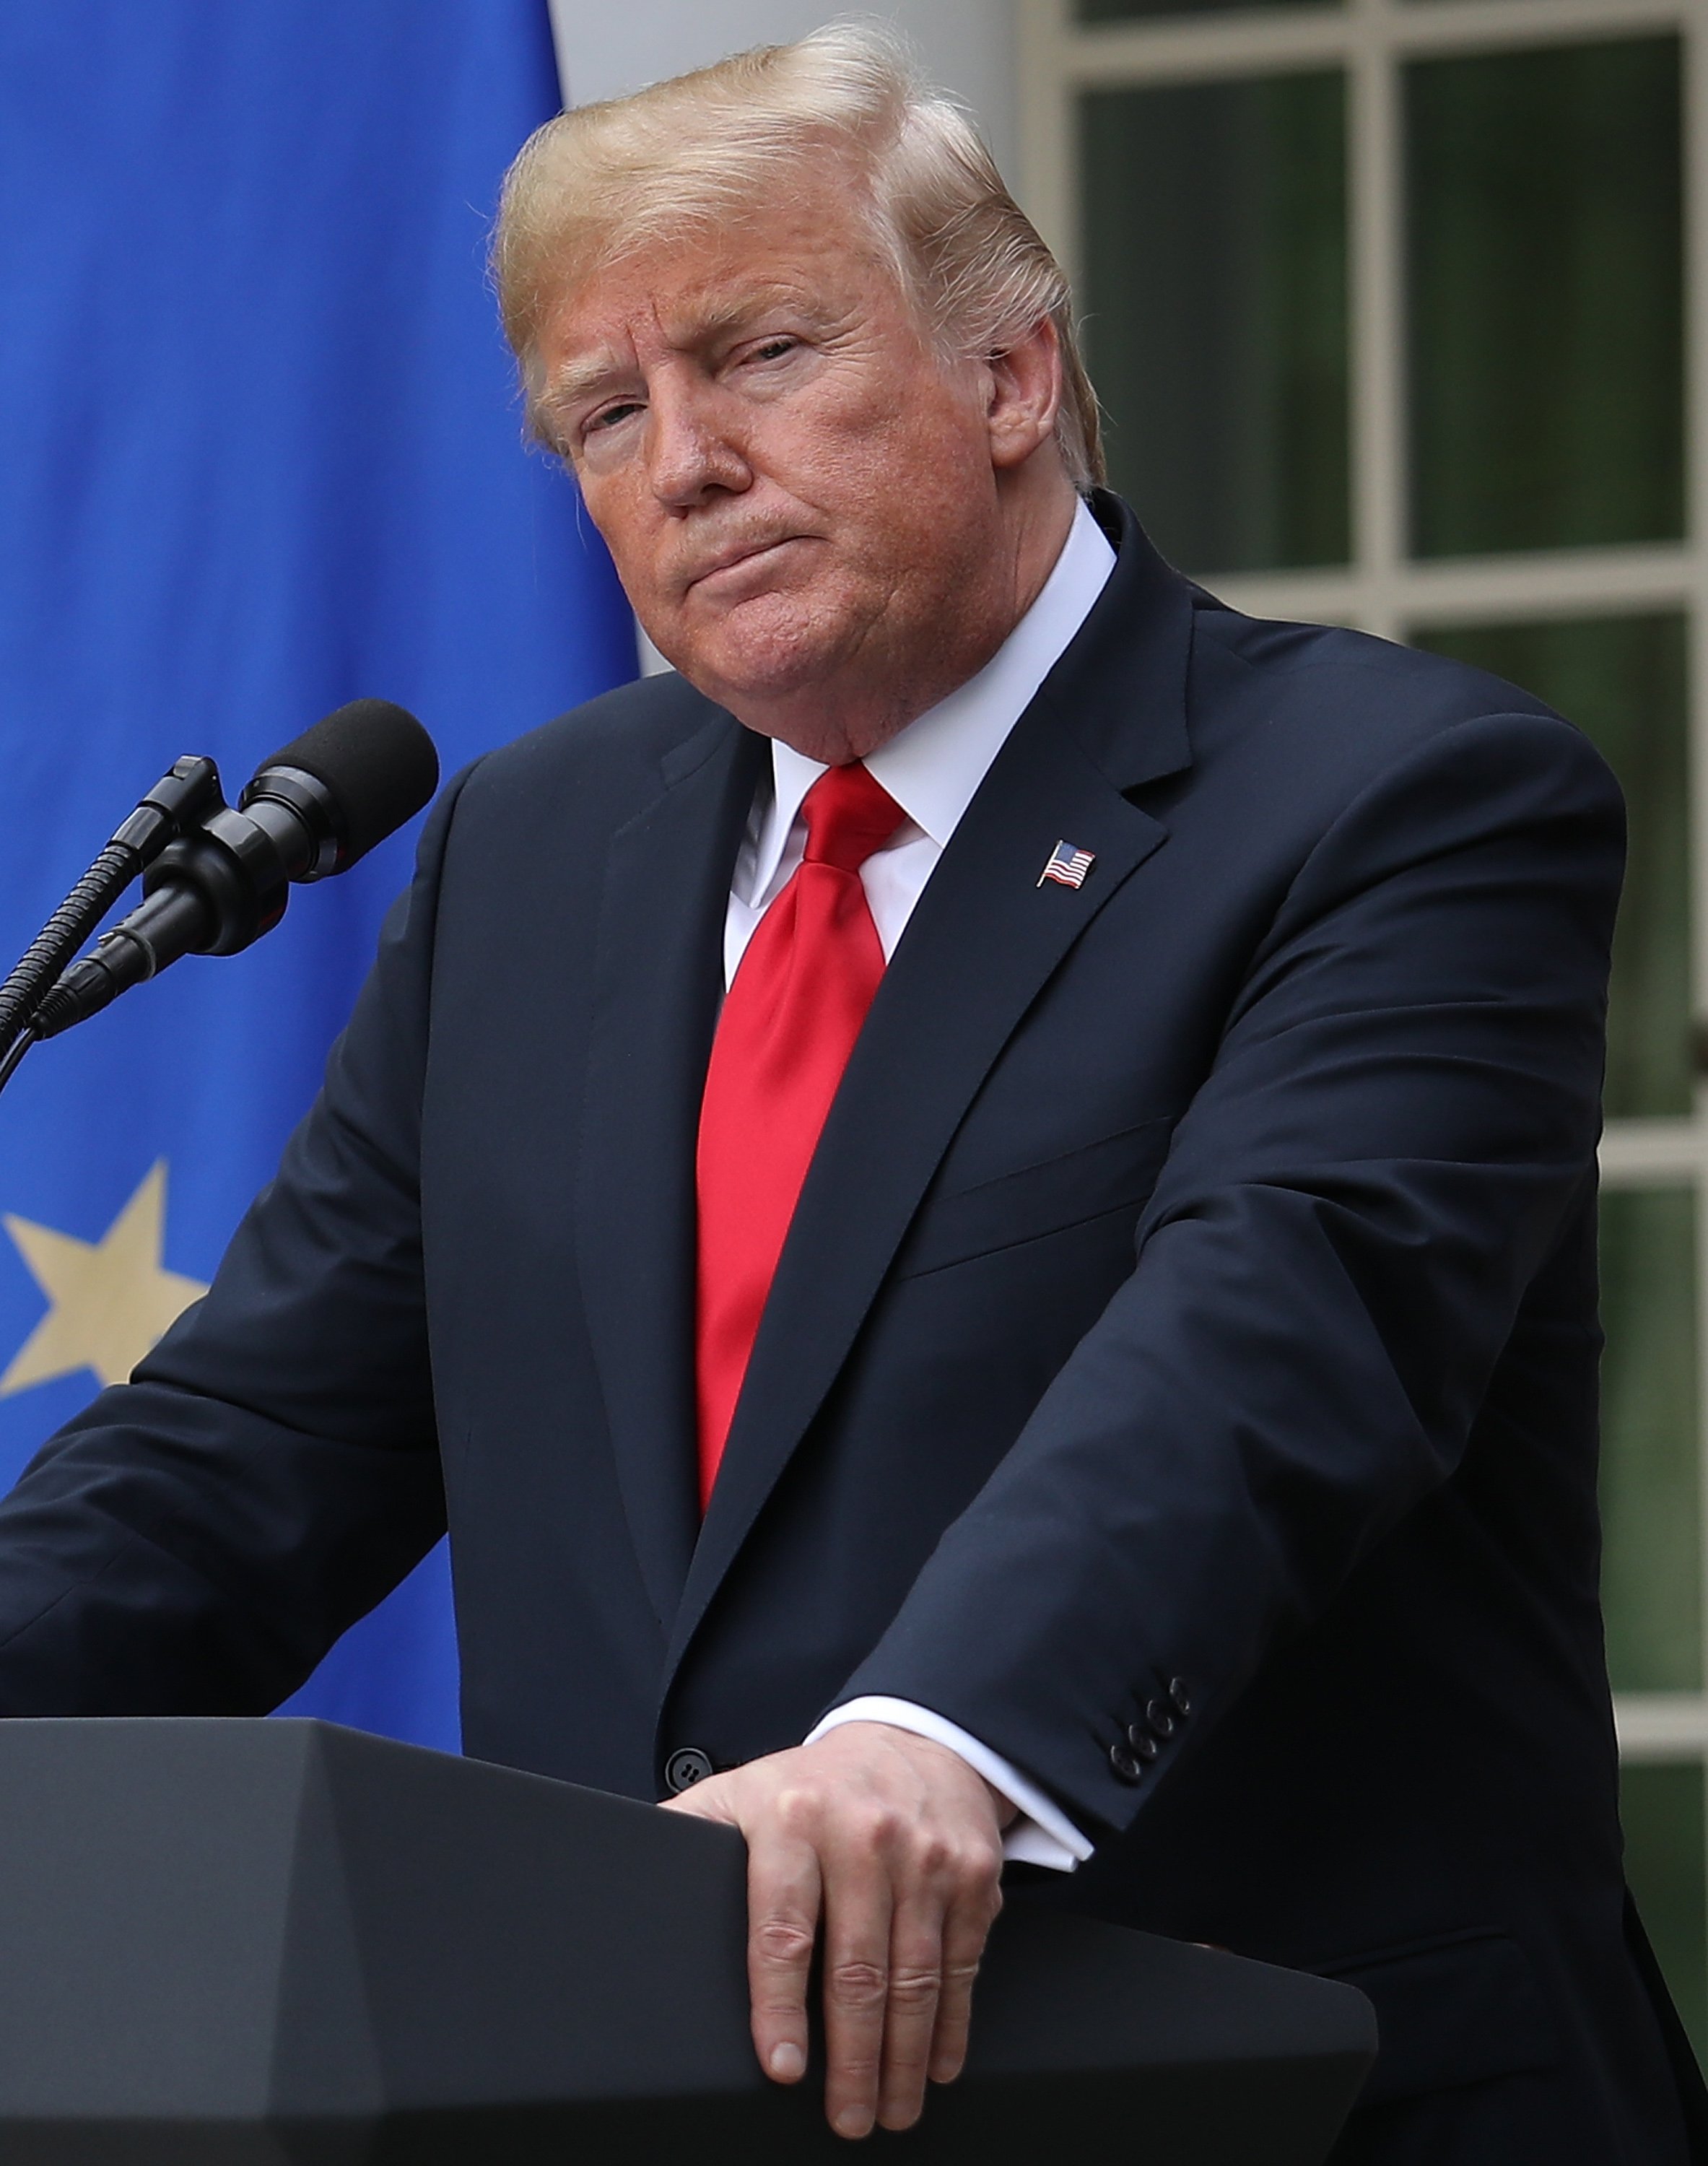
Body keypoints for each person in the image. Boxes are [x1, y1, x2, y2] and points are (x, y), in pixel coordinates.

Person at [0, 25, 1697, 2162]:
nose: (684, 459)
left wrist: (935, 1736)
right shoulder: (535, 852)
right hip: (669, 2091)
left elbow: (1272, 1346)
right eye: (607, 417)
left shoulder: (1401, 806)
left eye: (761, 355)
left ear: (1012, 376)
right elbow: (256, 1443)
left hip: (1270, 2092)